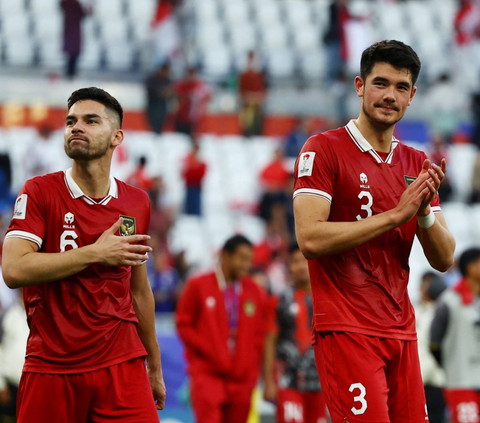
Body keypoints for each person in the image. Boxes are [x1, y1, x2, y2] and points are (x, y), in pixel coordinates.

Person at [293, 40, 455, 422]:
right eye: (380, 83)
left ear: (412, 95)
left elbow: (445, 258)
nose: (390, 95)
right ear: (359, 86)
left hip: (402, 330)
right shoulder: (324, 149)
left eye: (401, 87)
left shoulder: (417, 162)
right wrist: (394, 216)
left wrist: (424, 216)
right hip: (347, 329)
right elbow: (310, 239)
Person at [1, 87, 166, 422]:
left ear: (116, 136)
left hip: (121, 364)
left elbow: (138, 290)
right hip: (52, 365)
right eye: (71, 121)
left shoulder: (136, 203)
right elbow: (13, 269)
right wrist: (95, 253)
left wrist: (155, 366)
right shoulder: (39, 191)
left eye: (91, 120)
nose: (77, 127)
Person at [175, 235, 267, 423]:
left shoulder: (255, 291)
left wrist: (251, 374)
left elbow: (259, 336)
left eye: (249, 259)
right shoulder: (198, 284)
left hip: (241, 381)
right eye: (242, 258)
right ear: (225, 255)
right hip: (208, 374)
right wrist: (207, 348)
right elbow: (183, 324)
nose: (247, 265)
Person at [264, 243, 327, 423]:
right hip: (288, 381)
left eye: (305, 260)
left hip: (320, 383)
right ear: (288, 267)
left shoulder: (326, 297)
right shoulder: (279, 300)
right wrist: (268, 380)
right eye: (295, 261)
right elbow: (270, 341)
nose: (300, 266)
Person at [430, 248, 480, 423]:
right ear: (471, 267)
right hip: (461, 381)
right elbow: (434, 342)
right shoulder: (448, 301)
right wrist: (451, 365)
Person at [415, 272, 447, 423]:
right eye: (424, 284)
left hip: (436, 378)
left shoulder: (442, 310)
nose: (426, 288)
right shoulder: (413, 310)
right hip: (416, 377)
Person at [0, 290, 29, 423]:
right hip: (11, 386)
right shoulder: (8, 316)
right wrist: (0, 384)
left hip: (32, 384)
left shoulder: (42, 315)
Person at [174, 68, 210, 136]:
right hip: (181, 117)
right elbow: (177, 98)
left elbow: (206, 97)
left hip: (194, 120)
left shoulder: (198, 87)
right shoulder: (182, 86)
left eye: (192, 75)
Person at [238, 51, 267, 137]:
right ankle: (247, 133)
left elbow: (262, 90)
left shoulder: (259, 75)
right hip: (247, 102)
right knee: (247, 114)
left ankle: (258, 132)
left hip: (257, 102)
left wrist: (257, 98)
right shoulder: (244, 75)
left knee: (257, 113)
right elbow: (241, 91)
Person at [60, 0, 90, 79]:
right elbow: (82, 14)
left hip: (70, 29)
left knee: (72, 53)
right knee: (73, 53)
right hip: (73, 30)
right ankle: (71, 72)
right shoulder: (74, 3)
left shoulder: (67, 3)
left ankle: (70, 72)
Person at [145, 62, 174, 134]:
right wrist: (162, 92)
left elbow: (171, 94)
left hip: (163, 107)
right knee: (152, 126)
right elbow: (150, 91)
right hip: (153, 106)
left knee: (161, 126)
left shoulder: (167, 81)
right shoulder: (152, 80)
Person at [181, 142, 207, 216]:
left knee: (195, 209)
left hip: (197, 188)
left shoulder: (201, 163)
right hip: (189, 187)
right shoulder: (187, 161)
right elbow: (185, 174)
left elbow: (200, 175)